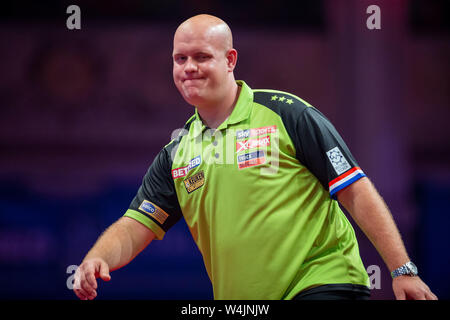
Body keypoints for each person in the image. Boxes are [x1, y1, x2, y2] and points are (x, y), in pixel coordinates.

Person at [73, 14, 437, 300]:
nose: (188, 68)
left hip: (323, 283)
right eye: (180, 58)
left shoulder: (288, 114)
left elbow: (355, 189)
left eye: (201, 57)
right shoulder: (176, 153)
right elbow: (135, 226)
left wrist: (402, 270)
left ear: (230, 60)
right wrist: (98, 257)